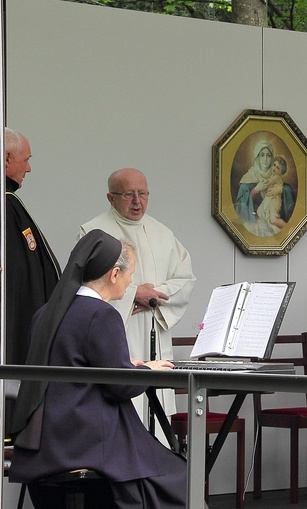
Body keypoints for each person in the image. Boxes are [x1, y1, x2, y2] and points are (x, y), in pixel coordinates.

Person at [9, 230, 187, 508]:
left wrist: (128, 367)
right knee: (180, 476)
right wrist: (148, 370)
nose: (131, 282)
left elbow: (76, 364)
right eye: (130, 275)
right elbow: (120, 386)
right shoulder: (102, 315)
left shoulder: (44, 313)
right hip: (85, 441)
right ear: (114, 274)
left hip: (44, 443)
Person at [79, 168, 195, 425]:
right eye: (128, 194)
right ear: (110, 198)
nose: (137, 201)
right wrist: (133, 294)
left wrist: (154, 296)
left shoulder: (162, 233)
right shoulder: (93, 233)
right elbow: (84, 285)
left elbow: (185, 279)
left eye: (143, 194)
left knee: (158, 420)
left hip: (154, 325)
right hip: (118, 329)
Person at [3, 128, 61, 367]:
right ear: (7, 158)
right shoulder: (6, 205)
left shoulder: (9, 202)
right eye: (25, 160)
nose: (29, 169)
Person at [235, 140, 274, 223]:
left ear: (272, 158)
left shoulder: (277, 179)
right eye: (262, 155)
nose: (265, 159)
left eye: (268, 155)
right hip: (253, 225)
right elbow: (241, 209)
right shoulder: (247, 180)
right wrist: (256, 190)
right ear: (257, 157)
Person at [254, 156, 288, 234]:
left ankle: (287, 228)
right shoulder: (273, 176)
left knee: (273, 220)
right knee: (261, 213)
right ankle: (277, 230)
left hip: (274, 201)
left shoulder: (277, 177)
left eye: (278, 168)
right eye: (274, 165)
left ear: (281, 172)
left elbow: (266, 183)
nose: (274, 168)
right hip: (269, 200)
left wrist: (259, 176)